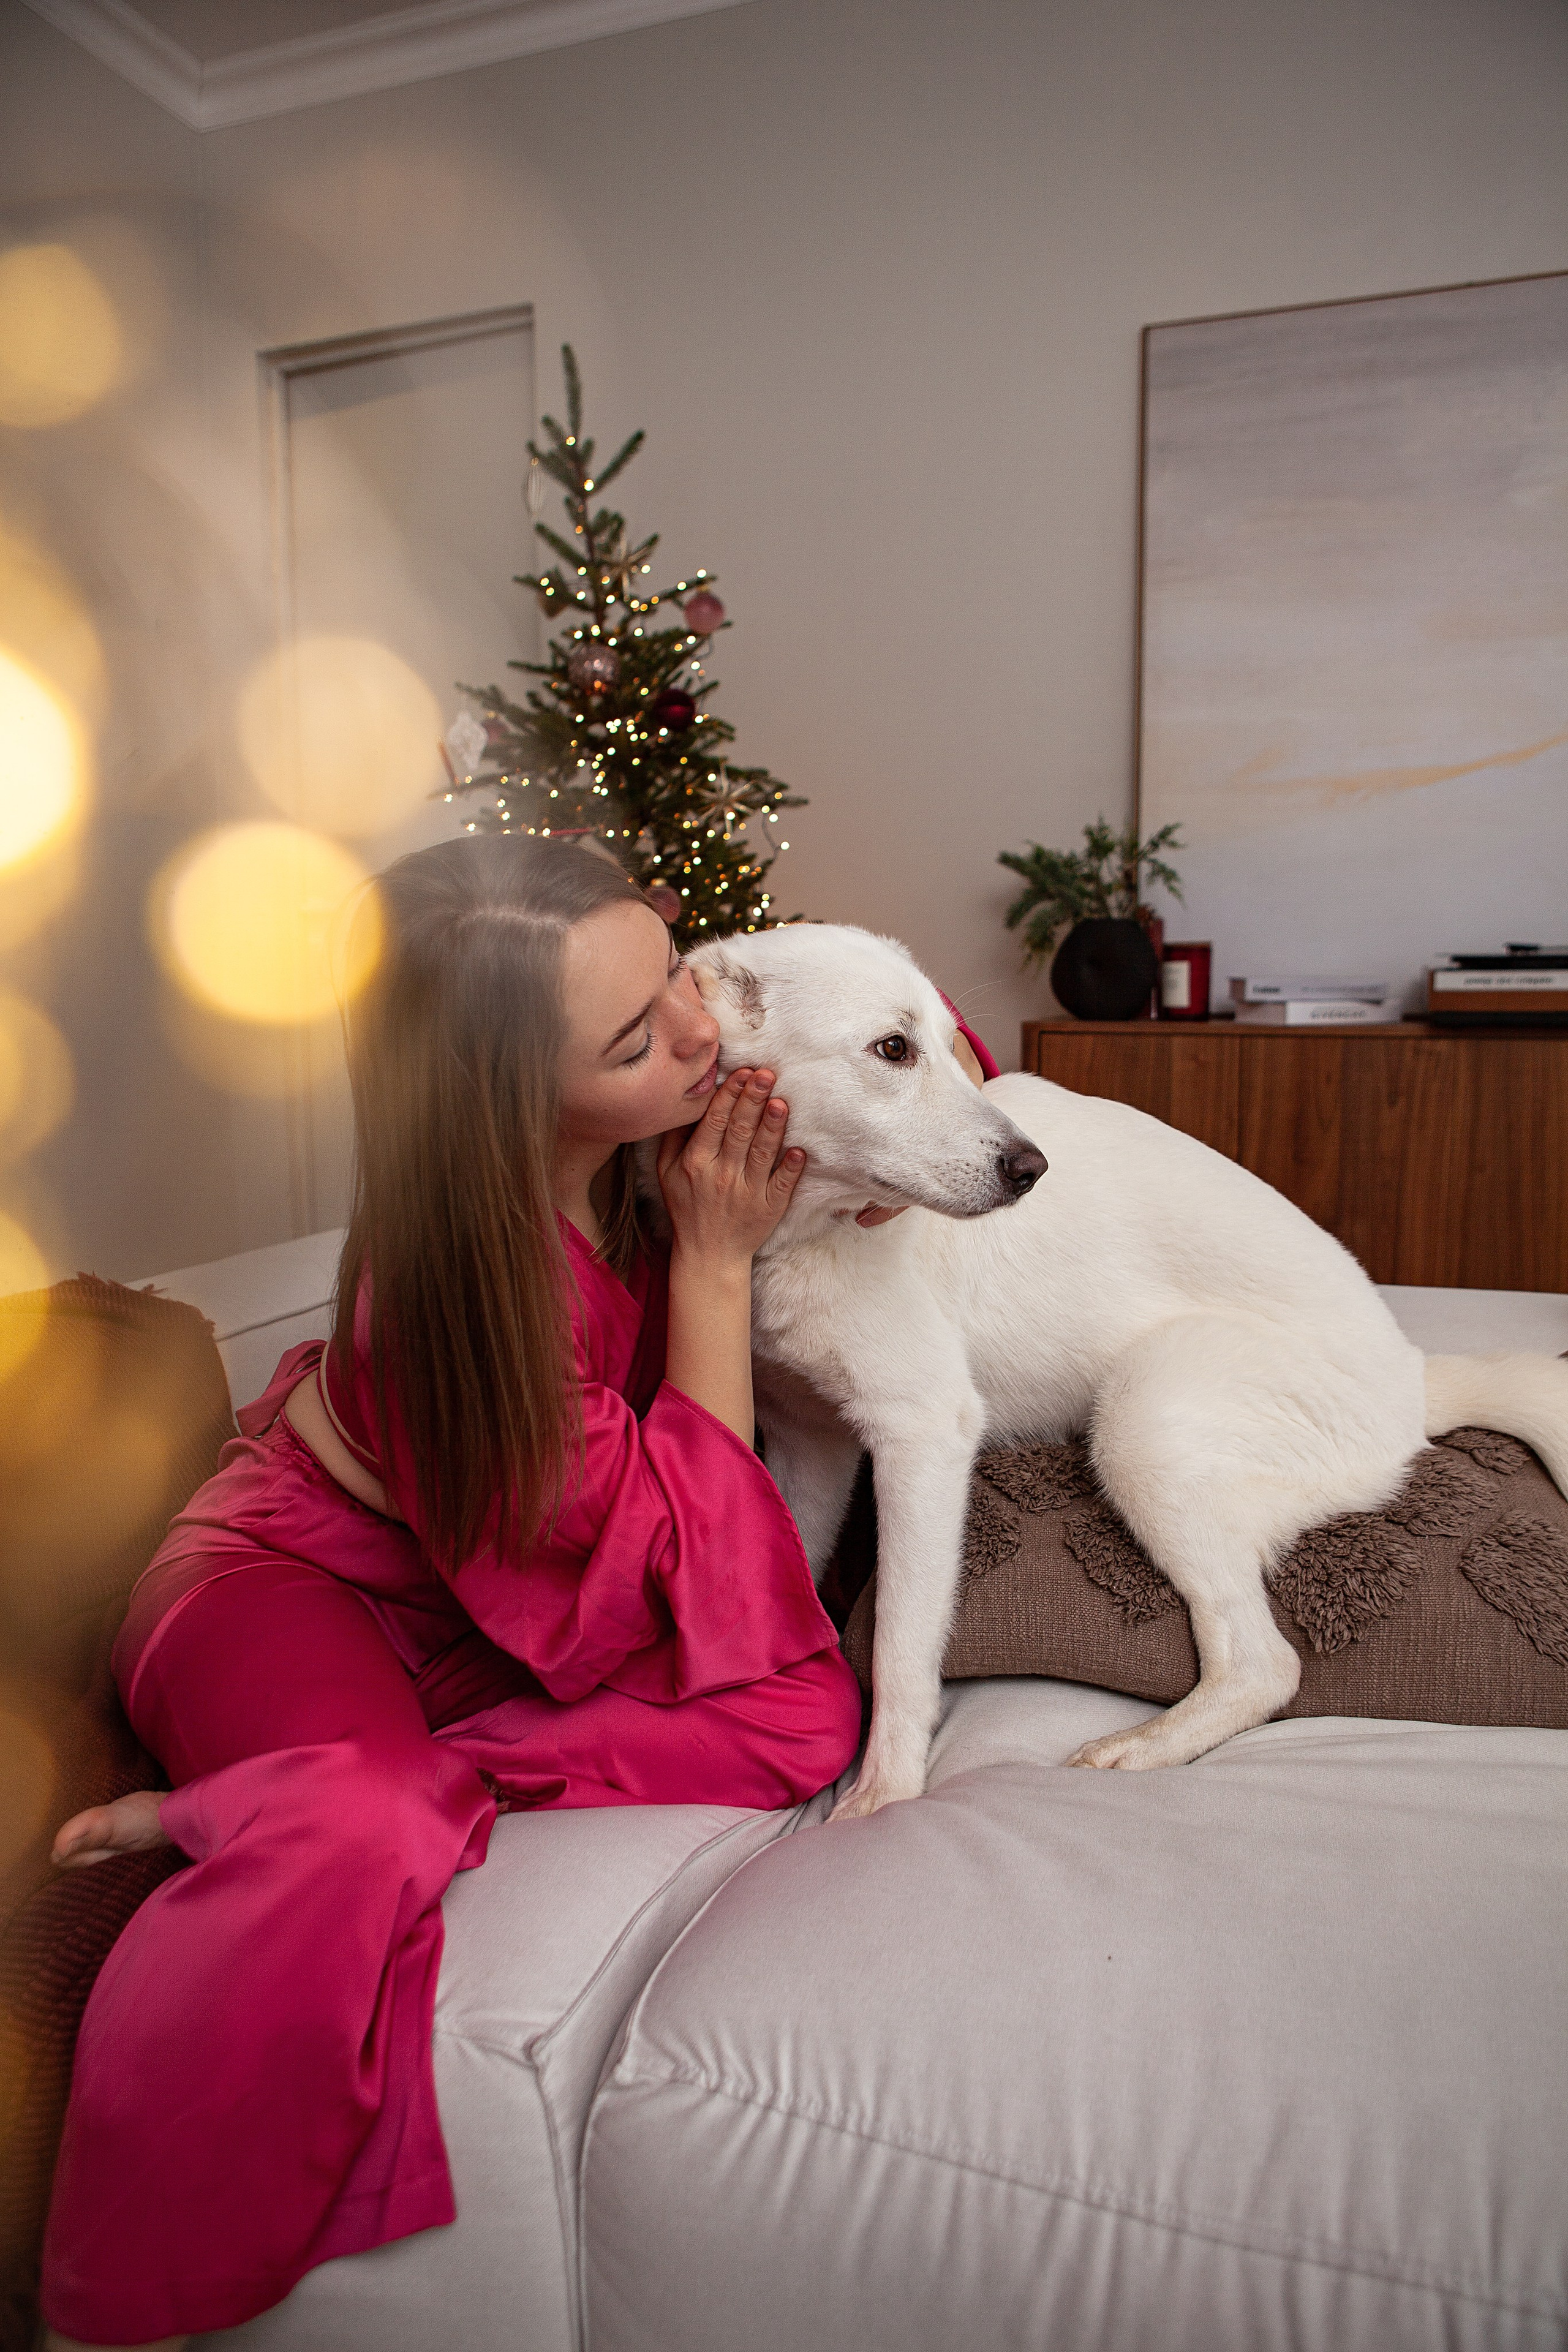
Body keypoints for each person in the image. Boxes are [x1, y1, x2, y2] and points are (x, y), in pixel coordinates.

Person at [40, 837, 997, 2350]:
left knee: (807, 1718)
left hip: (514, 1597)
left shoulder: (667, 1113)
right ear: (514, 1099)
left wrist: (885, 1123)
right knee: (359, 1827)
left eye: (671, 974)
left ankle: (322, 1784)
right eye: (633, 1039)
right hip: (301, 1587)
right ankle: (119, 2293)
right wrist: (715, 1267)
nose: (696, 1032)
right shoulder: (462, 1293)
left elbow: (924, 1038)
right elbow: (677, 1585)